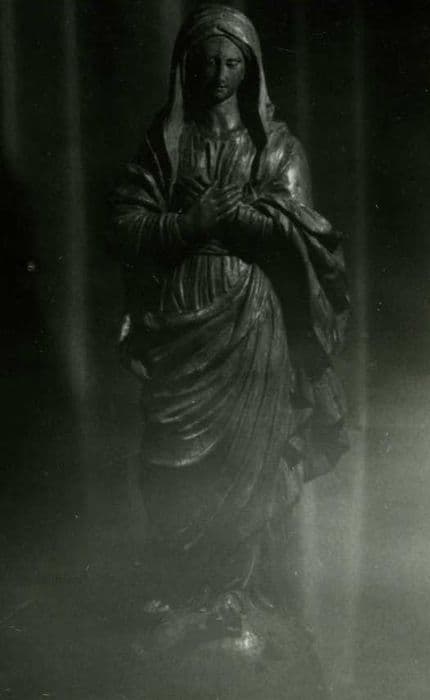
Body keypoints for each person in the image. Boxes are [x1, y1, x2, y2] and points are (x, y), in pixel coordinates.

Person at [111, 4, 349, 629]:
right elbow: (127, 225)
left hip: (250, 317)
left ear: (251, 69)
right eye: (207, 60)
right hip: (180, 316)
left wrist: (232, 217)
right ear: (186, 66)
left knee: (248, 458)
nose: (218, 73)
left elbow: (304, 235)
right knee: (170, 458)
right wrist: (189, 223)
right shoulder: (166, 145)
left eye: (231, 61)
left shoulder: (277, 149)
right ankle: (180, 588)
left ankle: (233, 595)